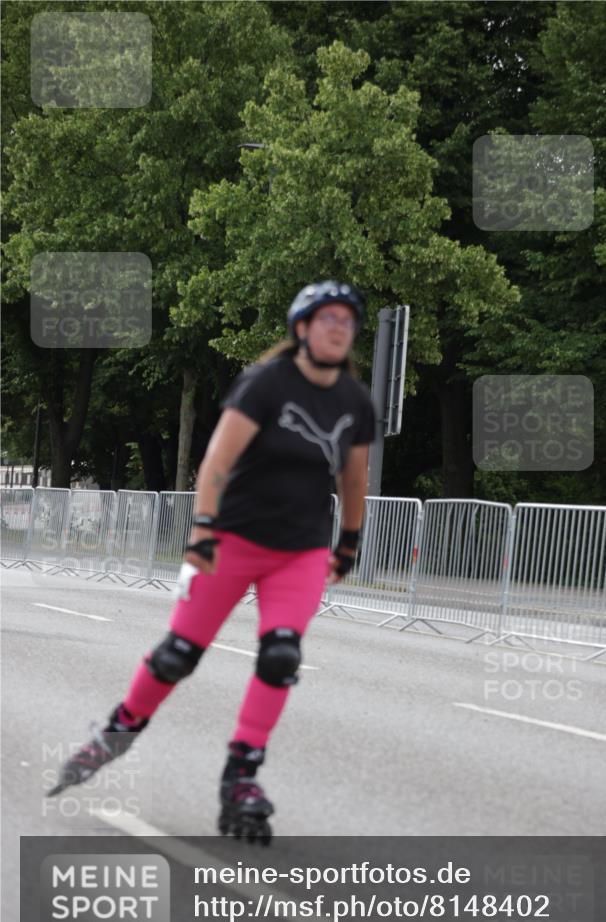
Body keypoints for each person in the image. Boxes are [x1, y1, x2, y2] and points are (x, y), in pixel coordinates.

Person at [48, 280, 377, 844]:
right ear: (302, 327)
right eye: (328, 318)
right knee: (178, 655)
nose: (338, 327)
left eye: (348, 321)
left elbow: (353, 479)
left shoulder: (354, 402)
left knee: (280, 656)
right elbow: (217, 461)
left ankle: (241, 777)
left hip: (299, 551)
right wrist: (202, 529)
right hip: (232, 541)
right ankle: (117, 730)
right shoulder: (266, 384)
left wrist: (348, 543)